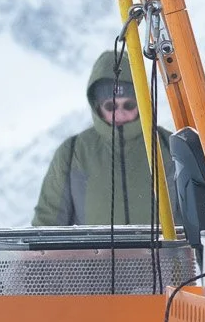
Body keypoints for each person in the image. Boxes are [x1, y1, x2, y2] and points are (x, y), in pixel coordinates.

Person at [32, 48, 158, 227]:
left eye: (129, 105)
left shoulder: (167, 148)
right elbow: (47, 222)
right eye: (111, 106)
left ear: (142, 102)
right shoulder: (73, 153)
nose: (120, 113)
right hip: (92, 248)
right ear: (97, 106)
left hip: (163, 248)